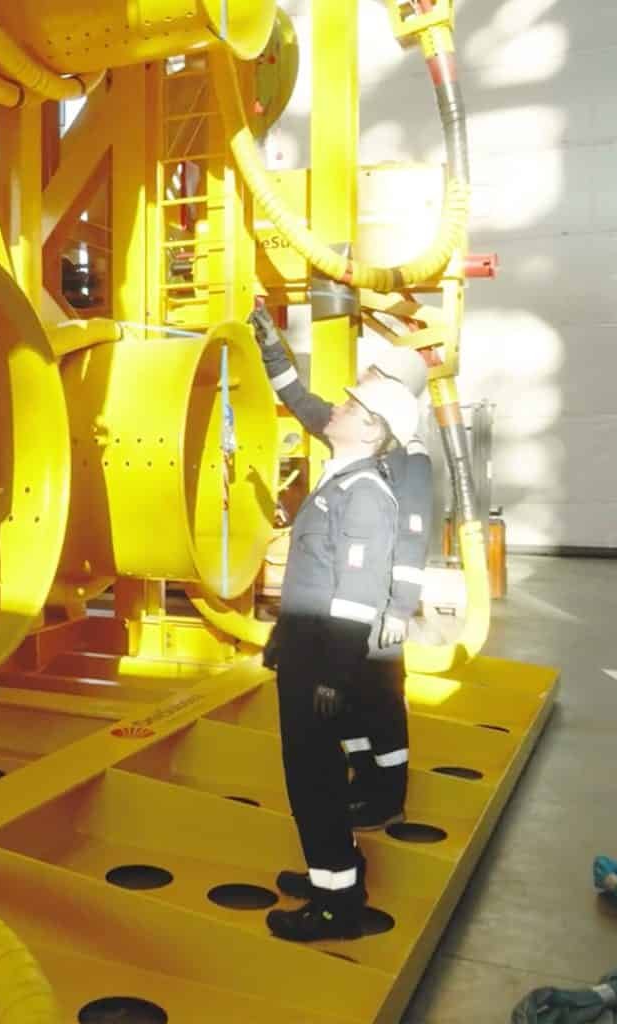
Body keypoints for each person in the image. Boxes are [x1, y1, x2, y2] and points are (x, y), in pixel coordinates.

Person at [248, 306, 425, 942]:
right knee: (315, 778)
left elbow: (353, 600)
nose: (336, 411)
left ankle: (335, 905)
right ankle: (335, 870)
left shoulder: (365, 499)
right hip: (306, 655)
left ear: (372, 429)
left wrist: (328, 677)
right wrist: (273, 355)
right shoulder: (343, 477)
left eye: (350, 407)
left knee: (315, 781)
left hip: (320, 666)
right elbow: (304, 405)